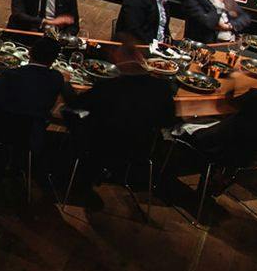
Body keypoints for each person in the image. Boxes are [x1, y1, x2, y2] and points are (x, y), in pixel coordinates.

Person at [66, 39, 176, 181]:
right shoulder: (162, 88)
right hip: (142, 147)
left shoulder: (108, 87)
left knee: (71, 117)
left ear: (118, 61)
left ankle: (74, 172)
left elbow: (76, 103)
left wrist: (66, 84)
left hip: (101, 144)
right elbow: (168, 120)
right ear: (141, 60)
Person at [0, 34, 70, 151]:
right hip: (32, 134)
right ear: (53, 60)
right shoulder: (57, 78)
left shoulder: (11, 75)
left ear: (30, 52)